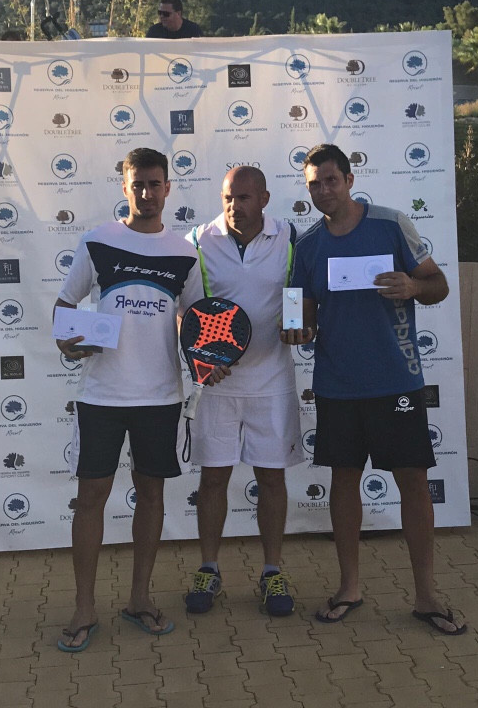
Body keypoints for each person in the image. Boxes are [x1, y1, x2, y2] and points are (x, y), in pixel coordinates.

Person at [282, 143, 466, 635]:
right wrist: (296, 328)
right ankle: (349, 587)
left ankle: (426, 596)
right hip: (337, 386)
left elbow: (438, 284)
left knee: (412, 483)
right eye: (314, 184)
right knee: (344, 483)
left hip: (395, 381)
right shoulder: (308, 244)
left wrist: (413, 287)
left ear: (349, 179)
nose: (323, 190)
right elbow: (301, 314)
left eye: (331, 180)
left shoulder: (390, 224)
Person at [53, 147, 206, 650]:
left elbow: (196, 321)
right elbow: (65, 305)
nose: (146, 192)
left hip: (160, 396)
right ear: (125, 187)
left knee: (152, 497)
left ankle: (140, 599)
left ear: (168, 188)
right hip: (102, 394)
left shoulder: (185, 253)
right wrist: (68, 341)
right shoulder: (97, 241)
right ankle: (83, 608)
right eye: (137, 184)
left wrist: (209, 357)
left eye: (154, 183)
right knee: (90, 499)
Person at [184, 166, 303, 617]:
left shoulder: (290, 237)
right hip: (216, 386)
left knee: (271, 479)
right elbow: (184, 313)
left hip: (272, 383)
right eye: (228, 197)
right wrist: (200, 360)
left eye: (245, 198)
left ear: (265, 199)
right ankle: (208, 569)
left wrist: (298, 327)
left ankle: (272, 572)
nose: (235, 206)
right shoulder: (198, 240)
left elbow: (298, 297)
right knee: (213, 480)